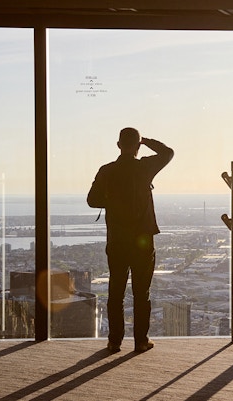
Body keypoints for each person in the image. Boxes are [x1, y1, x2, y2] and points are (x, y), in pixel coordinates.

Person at [87, 127, 174, 353]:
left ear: (118, 145)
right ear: (137, 146)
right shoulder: (145, 168)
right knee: (141, 293)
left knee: (116, 291)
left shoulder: (107, 171)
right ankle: (141, 341)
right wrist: (145, 141)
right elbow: (168, 152)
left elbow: (92, 200)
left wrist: (113, 200)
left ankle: (114, 341)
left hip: (117, 240)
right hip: (142, 241)